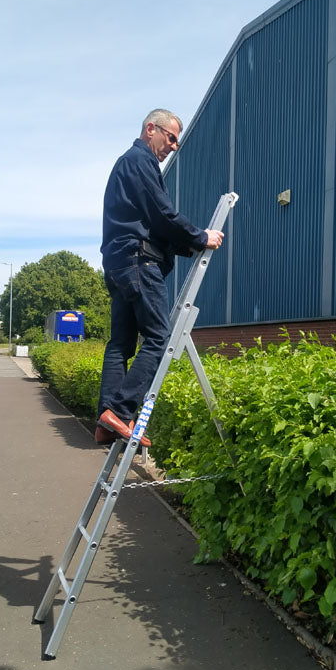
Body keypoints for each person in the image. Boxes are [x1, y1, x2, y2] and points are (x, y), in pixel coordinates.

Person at [95, 109, 224, 447]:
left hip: (119, 263)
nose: (173, 146)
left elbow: (150, 221)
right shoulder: (140, 161)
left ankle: (106, 422)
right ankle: (121, 411)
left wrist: (186, 245)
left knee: (120, 344)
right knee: (158, 338)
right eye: (170, 137)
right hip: (140, 263)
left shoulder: (126, 164)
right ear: (151, 128)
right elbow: (162, 214)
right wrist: (200, 237)